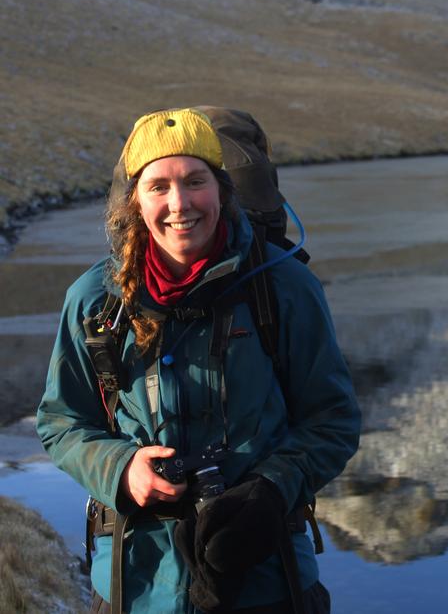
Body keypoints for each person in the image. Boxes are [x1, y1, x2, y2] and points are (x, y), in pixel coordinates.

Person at [36, 107, 361, 614]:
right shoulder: (94, 301)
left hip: (270, 578)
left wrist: (273, 489)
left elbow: (334, 419)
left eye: (195, 181)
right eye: (158, 186)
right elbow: (62, 422)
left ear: (223, 189)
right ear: (134, 201)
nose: (179, 203)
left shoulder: (284, 290)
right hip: (136, 586)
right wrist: (122, 470)